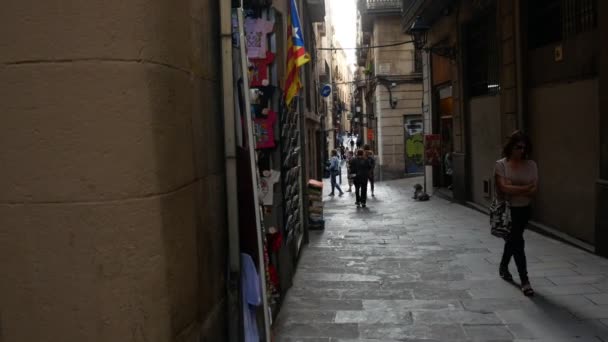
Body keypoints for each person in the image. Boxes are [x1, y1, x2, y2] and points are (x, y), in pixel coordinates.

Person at [494, 131, 538, 296]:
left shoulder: (532, 165)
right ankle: (525, 281)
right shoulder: (501, 165)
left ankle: (503, 266)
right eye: (518, 147)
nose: (521, 150)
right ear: (510, 147)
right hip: (508, 211)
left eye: (524, 147)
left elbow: (534, 191)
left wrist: (515, 188)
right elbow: (504, 188)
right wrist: (525, 188)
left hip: (524, 210)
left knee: (513, 240)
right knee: (517, 241)